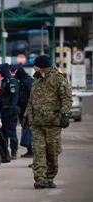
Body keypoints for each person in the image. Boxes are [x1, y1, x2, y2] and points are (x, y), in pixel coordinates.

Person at [23, 55, 72, 189]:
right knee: (38, 151)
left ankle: (50, 177)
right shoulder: (36, 81)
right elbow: (31, 101)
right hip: (37, 124)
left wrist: (65, 114)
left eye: (35, 65)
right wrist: (26, 116)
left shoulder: (58, 79)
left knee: (52, 152)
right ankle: (40, 178)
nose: (33, 67)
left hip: (53, 123)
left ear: (41, 66)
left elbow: (66, 98)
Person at [0, 63, 20, 160]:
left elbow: (15, 95)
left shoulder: (11, 81)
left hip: (9, 111)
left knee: (11, 131)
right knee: (3, 132)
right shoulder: (4, 81)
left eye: (0, 70)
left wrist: (12, 107)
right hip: (3, 110)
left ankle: (14, 151)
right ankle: (4, 153)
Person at [11, 64, 34, 158]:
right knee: (25, 129)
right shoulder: (17, 80)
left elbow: (32, 96)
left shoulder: (28, 80)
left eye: (15, 71)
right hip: (21, 110)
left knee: (30, 130)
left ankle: (32, 150)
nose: (14, 73)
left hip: (28, 110)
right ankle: (29, 150)